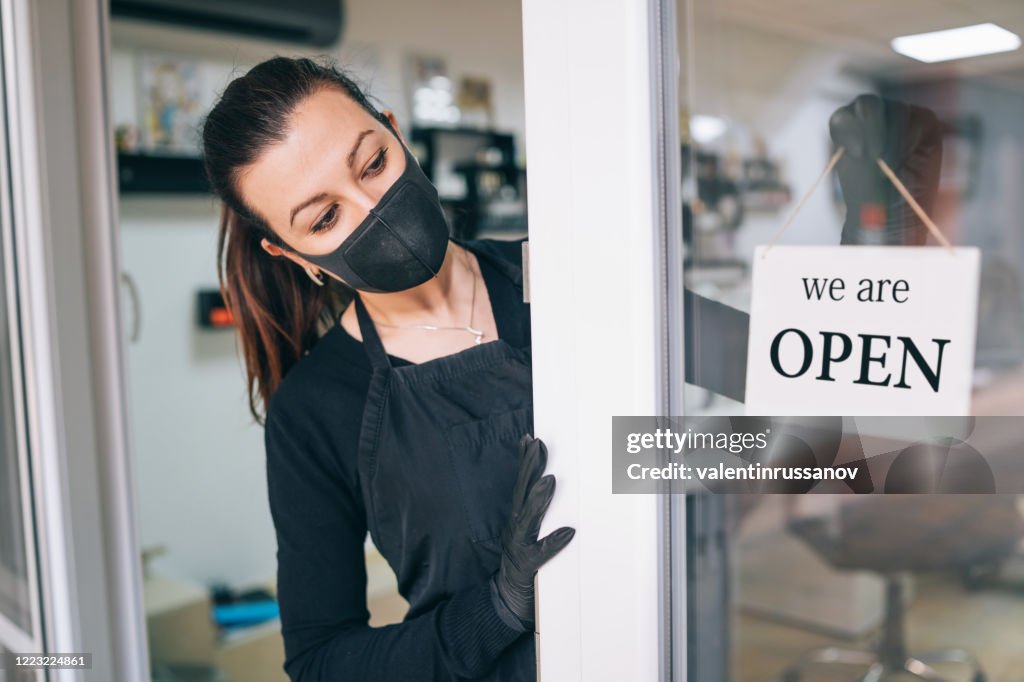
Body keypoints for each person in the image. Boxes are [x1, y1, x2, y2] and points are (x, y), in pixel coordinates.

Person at [202, 57, 573, 681]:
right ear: (294, 255)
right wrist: (497, 610)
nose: (373, 209)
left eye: (372, 163)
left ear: (396, 130)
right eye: (324, 218)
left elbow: (760, 402)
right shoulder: (317, 409)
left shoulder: (565, 275)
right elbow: (321, 662)